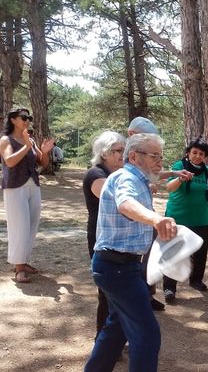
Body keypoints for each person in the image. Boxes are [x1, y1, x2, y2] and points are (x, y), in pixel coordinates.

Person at [85, 133, 177, 372]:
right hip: (116, 268)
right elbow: (125, 204)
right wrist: (155, 218)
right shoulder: (126, 178)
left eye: (161, 156)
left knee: (116, 329)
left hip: (120, 266)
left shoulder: (139, 180)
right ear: (134, 156)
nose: (160, 161)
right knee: (147, 334)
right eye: (154, 156)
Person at [126, 116, 193, 311]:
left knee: (150, 257)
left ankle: (147, 295)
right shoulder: (125, 154)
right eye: (146, 137)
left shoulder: (142, 153)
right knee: (135, 262)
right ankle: (138, 300)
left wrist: (173, 173)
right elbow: (126, 191)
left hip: (147, 214)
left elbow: (152, 173)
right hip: (133, 219)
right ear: (131, 134)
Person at [162, 137, 208, 302]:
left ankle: (196, 280)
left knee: (200, 252)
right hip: (178, 218)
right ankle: (169, 288)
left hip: (200, 218)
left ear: (205, 156)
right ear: (188, 153)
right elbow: (169, 187)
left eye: (201, 153)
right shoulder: (179, 167)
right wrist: (180, 178)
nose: (197, 156)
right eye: (194, 152)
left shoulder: (206, 171)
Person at [0, 107, 54, 283]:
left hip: (33, 186)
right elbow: (10, 161)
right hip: (15, 187)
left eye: (29, 117)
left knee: (31, 225)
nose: (27, 120)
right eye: (24, 117)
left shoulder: (29, 139)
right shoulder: (6, 140)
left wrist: (44, 152)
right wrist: (26, 146)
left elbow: (43, 163)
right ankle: (19, 269)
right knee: (19, 226)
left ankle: (23, 261)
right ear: (13, 120)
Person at [82, 131, 126, 339]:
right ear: (104, 153)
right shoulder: (96, 174)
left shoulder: (119, 173)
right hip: (101, 239)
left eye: (123, 150)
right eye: (118, 150)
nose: (122, 154)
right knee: (107, 292)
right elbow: (114, 199)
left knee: (118, 291)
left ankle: (114, 337)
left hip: (119, 238)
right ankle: (103, 338)